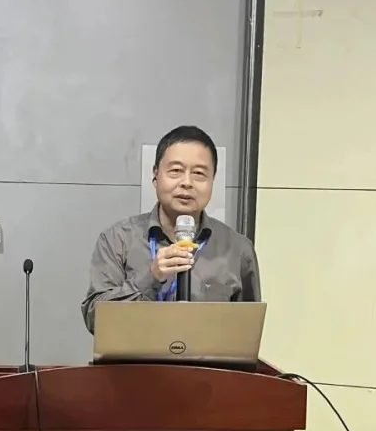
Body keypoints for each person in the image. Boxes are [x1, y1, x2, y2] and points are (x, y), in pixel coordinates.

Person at [81, 125, 261, 334]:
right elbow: (95, 320)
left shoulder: (238, 249)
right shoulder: (118, 239)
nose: (187, 183)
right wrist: (150, 278)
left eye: (199, 173)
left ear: (212, 181)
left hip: (204, 357)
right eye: (176, 171)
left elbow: (248, 333)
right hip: (136, 356)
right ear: (155, 175)